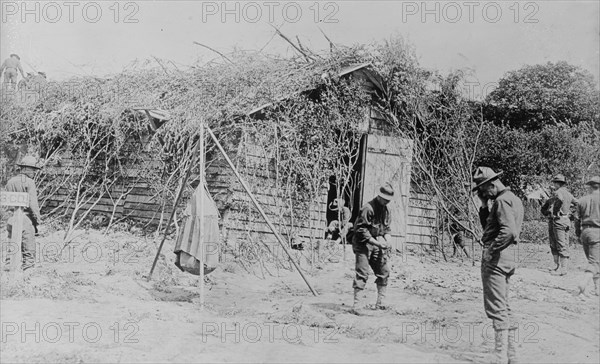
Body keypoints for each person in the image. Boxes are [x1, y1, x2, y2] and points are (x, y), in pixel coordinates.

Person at [472, 167, 523, 364]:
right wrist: (484, 205)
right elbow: (491, 227)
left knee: (496, 308)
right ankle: (512, 355)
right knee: (504, 305)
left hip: (496, 259)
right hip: (509, 258)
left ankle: (499, 357)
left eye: (484, 190)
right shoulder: (512, 198)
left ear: (492, 185)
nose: (483, 193)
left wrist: (491, 250)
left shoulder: (501, 201)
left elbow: (508, 231)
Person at [351, 183, 394, 314]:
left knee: (384, 270)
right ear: (379, 196)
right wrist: (377, 243)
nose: (386, 201)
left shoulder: (386, 210)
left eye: (389, 200)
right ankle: (357, 306)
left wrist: (388, 239)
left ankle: (380, 303)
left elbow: (386, 228)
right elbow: (361, 230)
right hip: (363, 244)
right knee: (362, 273)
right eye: (385, 199)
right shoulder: (367, 208)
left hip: (377, 242)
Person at [4, 155, 42, 271]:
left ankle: (9, 266)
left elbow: (6, 201)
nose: (34, 172)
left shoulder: (10, 181)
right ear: (25, 169)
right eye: (32, 169)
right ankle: (28, 270)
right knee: (28, 245)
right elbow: (33, 205)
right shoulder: (29, 182)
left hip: (11, 217)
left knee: (12, 243)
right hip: (25, 218)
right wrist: (37, 221)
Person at [541, 174, 576, 276]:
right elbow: (578, 203)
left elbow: (560, 199)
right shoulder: (568, 195)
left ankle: (563, 269)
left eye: (554, 183)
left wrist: (555, 211)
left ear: (557, 184)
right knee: (560, 243)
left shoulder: (558, 193)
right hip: (565, 221)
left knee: (559, 244)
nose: (554, 185)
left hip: (558, 221)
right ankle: (557, 266)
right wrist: (571, 213)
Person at [574, 176, 600, 297]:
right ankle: (583, 283)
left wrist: (578, 234)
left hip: (585, 231)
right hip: (597, 232)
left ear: (590, 187)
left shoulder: (581, 200)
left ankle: (597, 289)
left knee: (593, 261)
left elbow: (576, 219)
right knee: (595, 262)